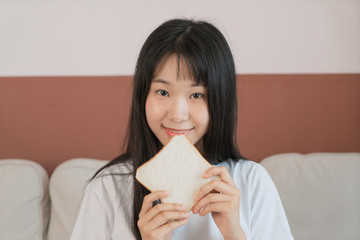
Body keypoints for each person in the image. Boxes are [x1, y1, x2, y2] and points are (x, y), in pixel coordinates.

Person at [70, 18, 294, 240]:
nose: (177, 114)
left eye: (196, 95)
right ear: (143, 96)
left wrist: (235, 234)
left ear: (221, 101)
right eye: (162, 92)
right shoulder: (108, 188)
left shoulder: (252, 181)